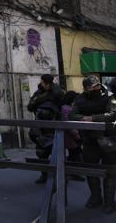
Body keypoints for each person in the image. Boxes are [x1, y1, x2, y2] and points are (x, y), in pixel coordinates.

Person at [69, 75, 116, 214]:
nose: (96, 88)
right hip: (90, 140)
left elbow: (113, 115)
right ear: (86, 88)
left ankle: (109, 202)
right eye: (92, 87)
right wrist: (83, 118)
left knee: (110, 172)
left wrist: (91, 118)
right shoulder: (80, 98)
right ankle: (96, 197)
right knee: (90, 170)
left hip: (109, 139)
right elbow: (72, 115)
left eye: (97, 85)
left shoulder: (110, 96)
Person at [27, 74, 64, 184]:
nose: (42, 84)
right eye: (42, 82)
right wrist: (39, 99)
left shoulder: (58, 93)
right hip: (41, 126)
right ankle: (44, 175)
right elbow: (30, 107)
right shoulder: (39, 92)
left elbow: (62, 108)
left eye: (44, 83)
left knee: (56, 153)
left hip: (53, 126)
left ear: (49, 83)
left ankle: (59, 177)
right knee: (41, 152)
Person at [60, 91, 85, 182]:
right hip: (70, 136)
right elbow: (69, 124)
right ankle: (74, 173)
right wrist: (76, 134)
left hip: (70, 135)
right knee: (75, 154)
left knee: (74, 153)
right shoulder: (66, 109)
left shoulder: (67, 108)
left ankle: (70, 171)